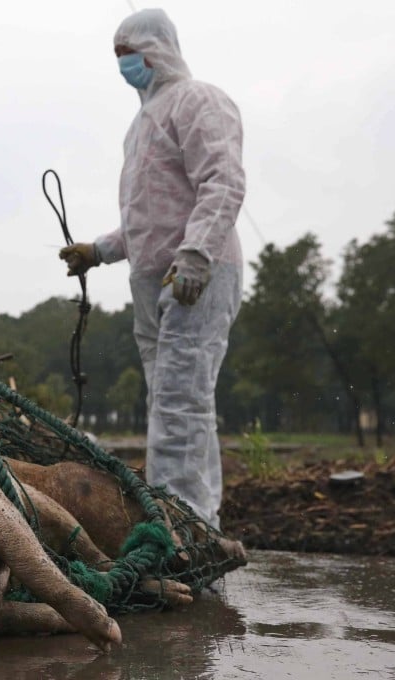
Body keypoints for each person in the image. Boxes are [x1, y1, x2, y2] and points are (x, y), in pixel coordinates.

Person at [59, 8, 245, 529]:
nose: (123, 65)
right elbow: (147, 221)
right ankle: (194, 520)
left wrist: (197, 254)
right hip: (154, 280)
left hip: (196, 275)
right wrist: (97, 250)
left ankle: (179, 527)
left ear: (156, 50)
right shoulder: (139, 126)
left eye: (129, 54)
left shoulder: (198, 100)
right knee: (174, 403)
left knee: (180, 405)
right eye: (116, 57)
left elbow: (223, 180)